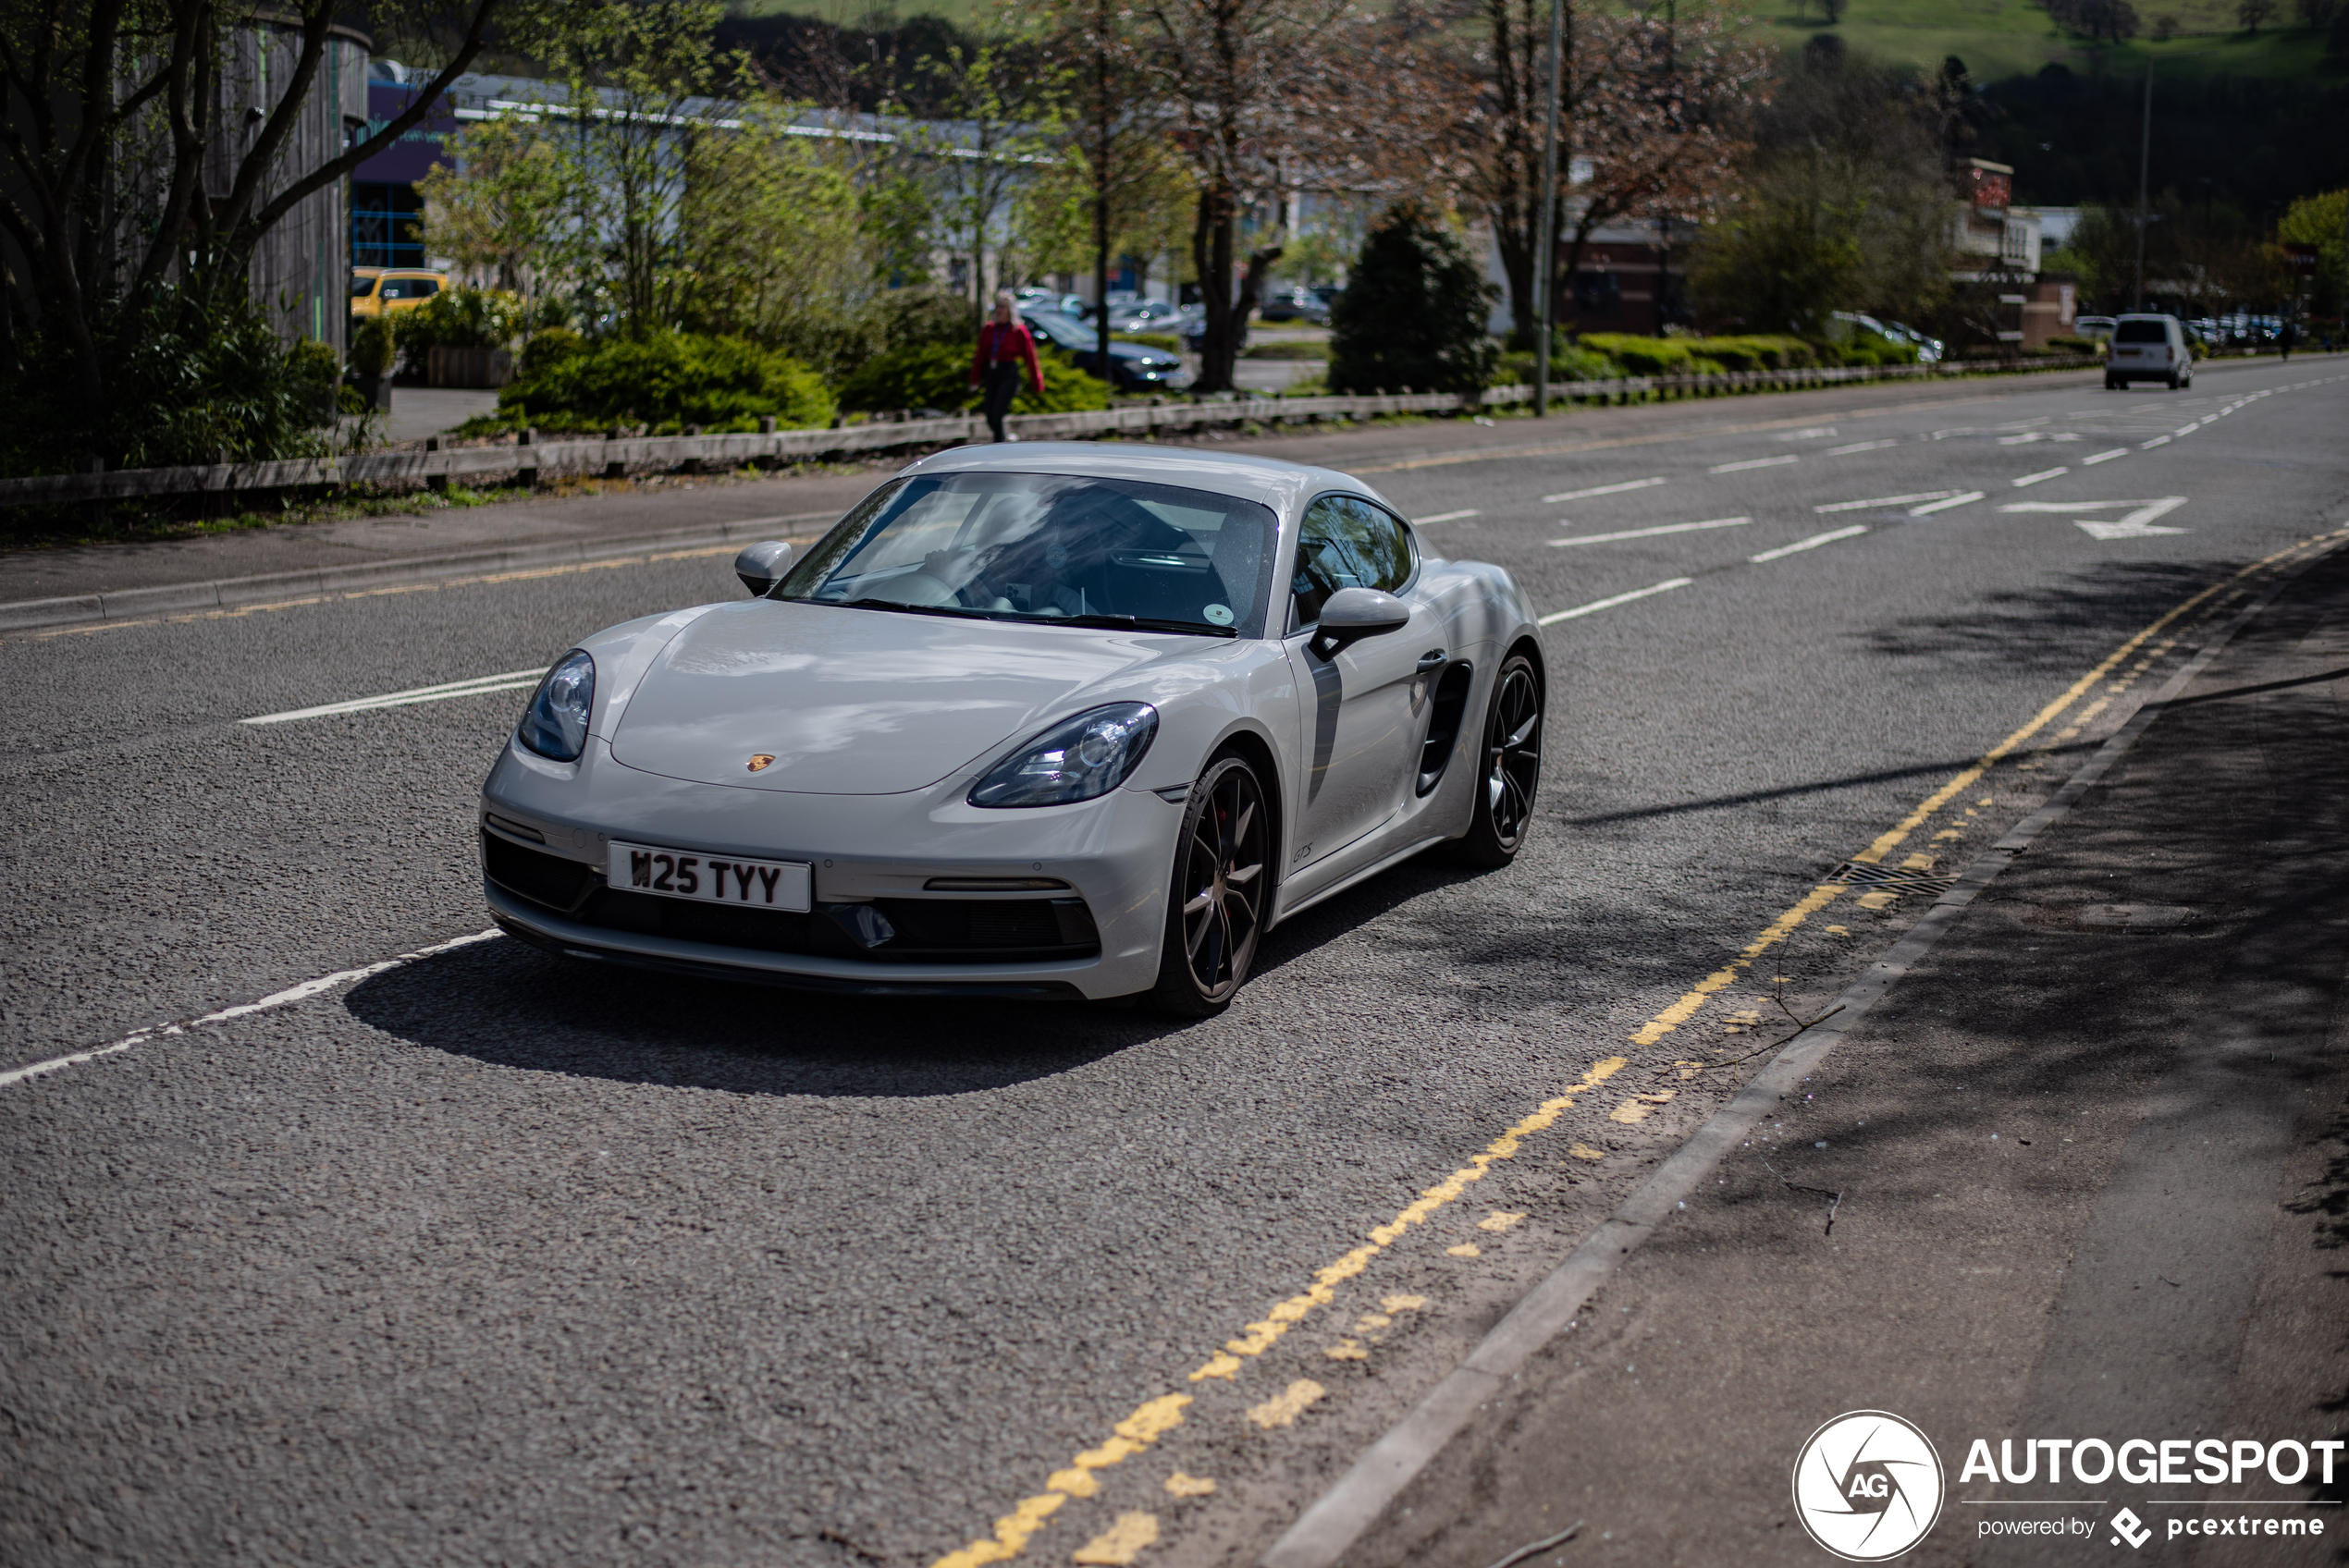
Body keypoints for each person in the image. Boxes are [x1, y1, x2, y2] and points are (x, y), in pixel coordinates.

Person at [969, 293, 1044, 443]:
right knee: (989, 415)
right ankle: (1004, 439)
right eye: (997, 307)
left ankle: (999, 444)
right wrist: (974, 379)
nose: (999, 310)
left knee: (997, 413)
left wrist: (1037, 383)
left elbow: (1030, 357)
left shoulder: (1018, 330)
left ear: (1010, 310)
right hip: (992, 372)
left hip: (1008, 372)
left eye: (1003, 307)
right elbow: (980, 355)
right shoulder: (989, 329)